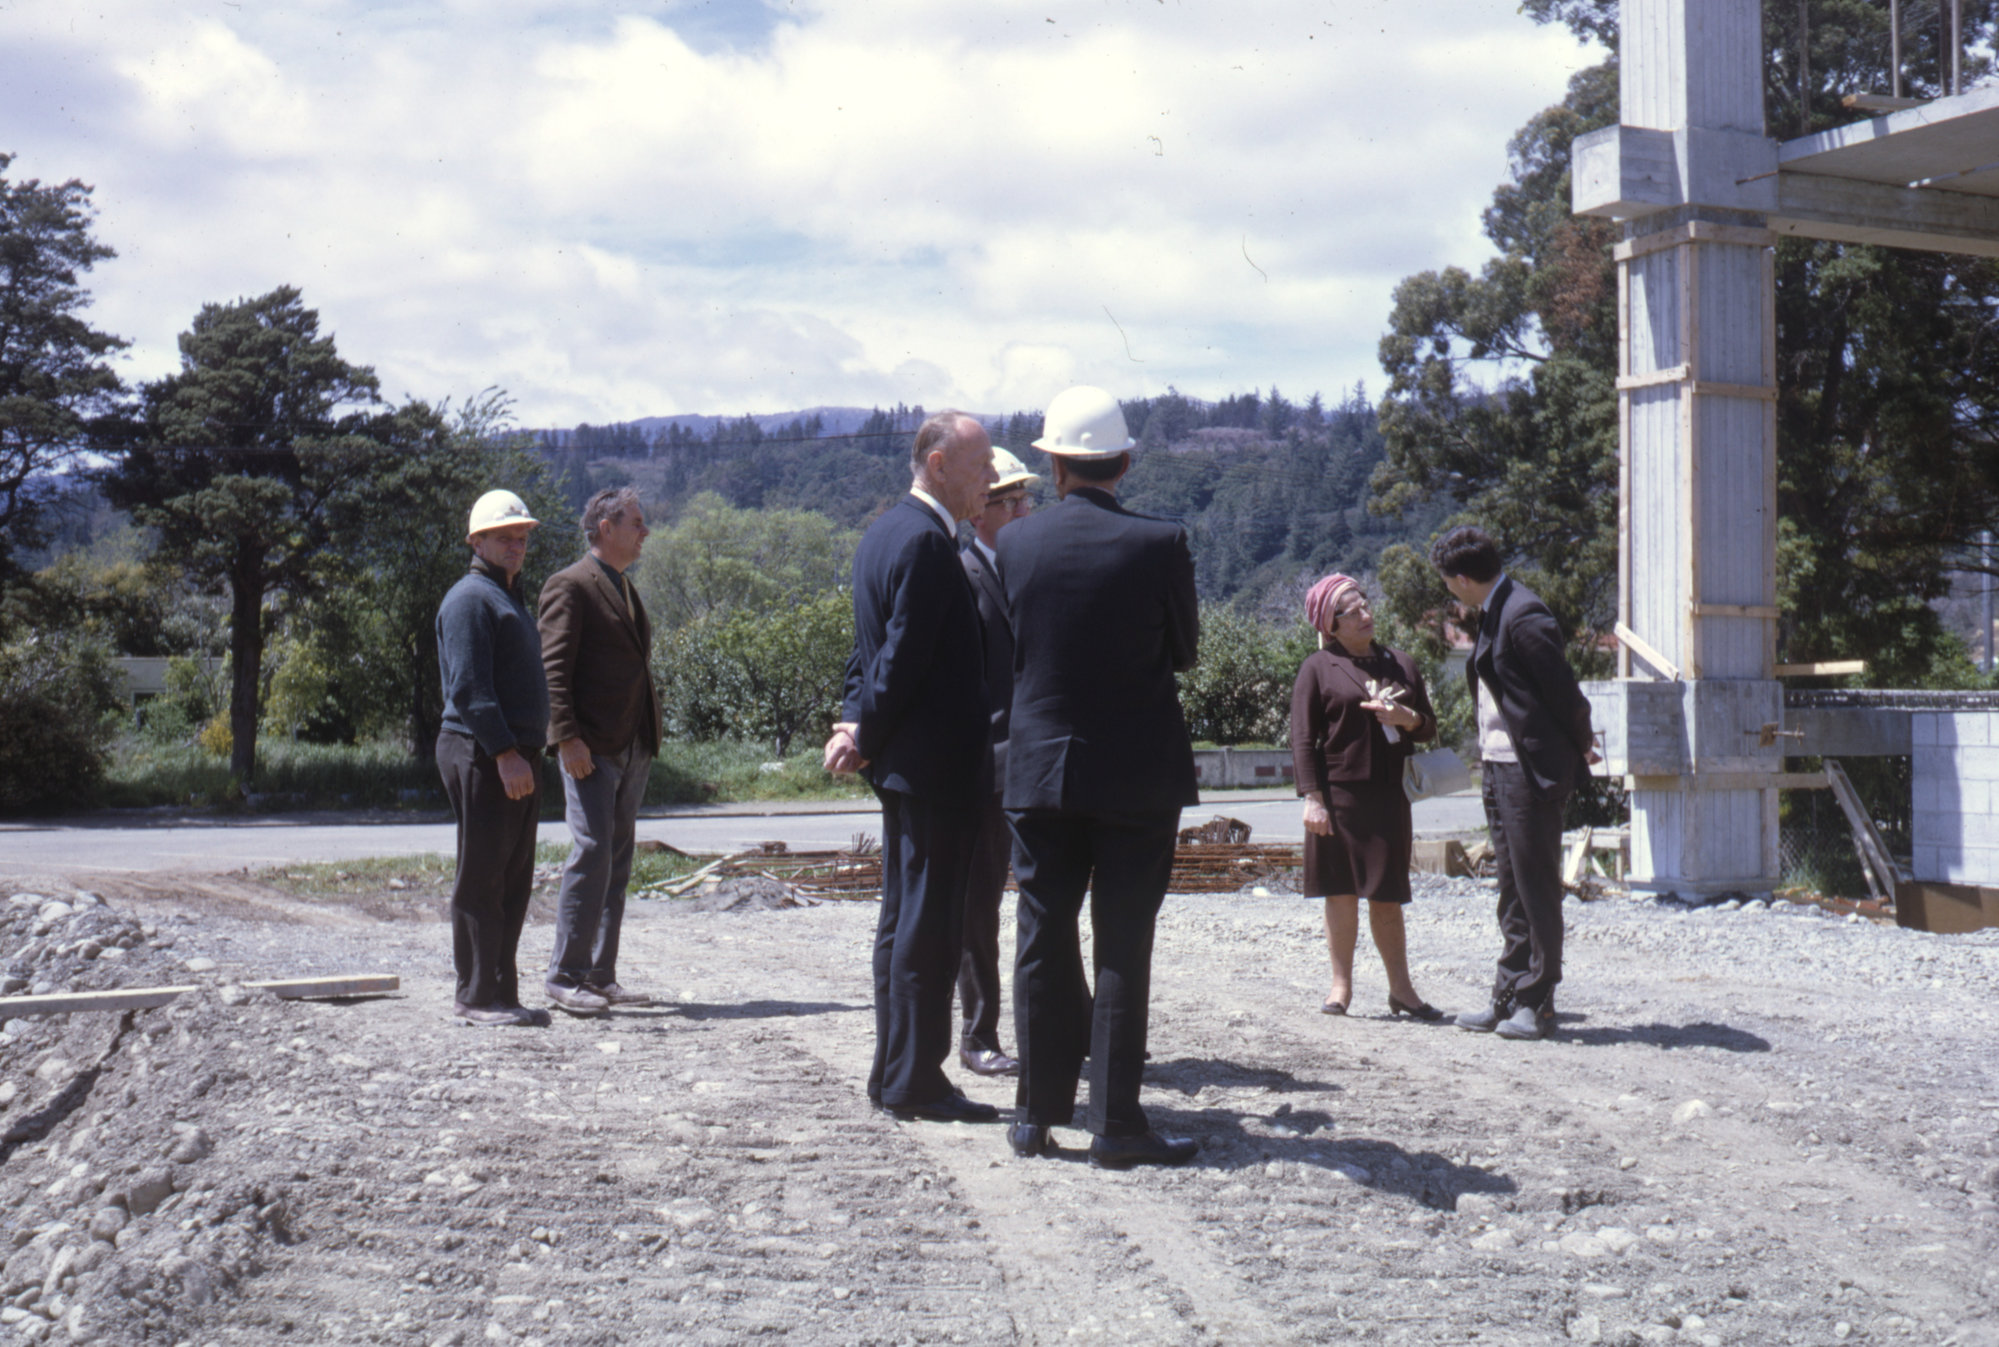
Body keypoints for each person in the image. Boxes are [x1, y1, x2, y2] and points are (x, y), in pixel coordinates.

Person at [1000, 385, 1201, 1169]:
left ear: (1053, 466)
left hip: (1039, 768)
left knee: (1041, 937)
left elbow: (1011, 650)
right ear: (1121, 462)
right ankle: (1116, 1121)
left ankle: (1032, 1115)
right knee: (1123, 941)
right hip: (1136, 773)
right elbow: (1182, 650)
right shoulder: (1162, 542)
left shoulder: (1012, 544)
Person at [823, 411, 1000, 1123]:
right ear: (935, 463)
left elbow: (863, 655)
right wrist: (865, 729)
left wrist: (856, 720)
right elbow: (895, 661)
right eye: (980, 463)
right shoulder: (926, 543)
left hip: (908, 768)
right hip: (933, 770)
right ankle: (915, 1080)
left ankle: (894, 1071)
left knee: (903, 923)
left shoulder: (883, 532)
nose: (989, 476)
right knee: (927, 928)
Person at [1429, 525, 1597, 1042]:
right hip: (1499, 765)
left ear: (1460, 578)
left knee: (1537, 886)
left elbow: (1566, 693)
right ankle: (1508, 996)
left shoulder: (1523, 614)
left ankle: (1538, 1001)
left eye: (1447, 582)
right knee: (1510, 885)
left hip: (1531, 769)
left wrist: (1580, 745)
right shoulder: (1492, 611)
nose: (1448, 590)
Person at [1289, 573, 1444, 1021]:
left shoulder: (1402, 663)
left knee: (1387, 894)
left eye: (1365, 605)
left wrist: (1407, 716)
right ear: (1330, 624)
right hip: (1337, 797)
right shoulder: (1317, 667)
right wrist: (1312, 798)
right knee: (1339, 892)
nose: (1365, 615)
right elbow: (1302, 740)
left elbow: (1429, 726)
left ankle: (1403, 990)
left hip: (1390, 793)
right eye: (1351, 611)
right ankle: (1340, 988)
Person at [538, 486, 663, 1017]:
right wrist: (566, 738)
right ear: (605, 528)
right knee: (591, 853)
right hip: (591, 746)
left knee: (616, 857)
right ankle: (565, 975)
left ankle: (599, 974)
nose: (644, 532)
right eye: (635, 522)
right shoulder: (570, 585)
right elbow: (554, 670)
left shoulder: (624, 588)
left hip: (632, 743)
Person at [435, 489, 551, 1028]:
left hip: (513, 752)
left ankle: (502, 993)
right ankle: (476, 997)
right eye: (505, 536)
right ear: (476, 540)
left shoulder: (506, 597)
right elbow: (469, 688)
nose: (517, 545)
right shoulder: (469, 600)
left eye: (522, 536)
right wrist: (504, 751)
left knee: (511, 877)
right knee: (483, 875)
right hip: (482, 750)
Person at [955, 448, 1038, 1079]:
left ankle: (1063, 1027)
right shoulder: (960, 574)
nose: (1022, 511)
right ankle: (978, 1034)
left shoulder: (1029, 572)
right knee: (978, 908)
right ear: (981, 509)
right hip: (983, 770)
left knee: (1047, 905)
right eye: (1011, 501)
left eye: (1025, 500)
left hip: (1035, 764)